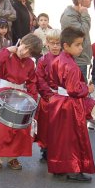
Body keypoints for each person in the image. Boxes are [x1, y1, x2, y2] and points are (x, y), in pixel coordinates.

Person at [0, 33, 42, 173]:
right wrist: (7, 51)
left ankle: (13, 156)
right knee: (0, 128)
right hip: (3, 92)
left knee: (17, 129)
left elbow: (31, 82)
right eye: (25, 47)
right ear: (21, 41)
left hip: (20, 95)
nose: (25, 52)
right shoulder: (8, 54)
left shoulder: (30, 63)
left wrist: (33, 100)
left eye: (30, 52)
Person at [46, 27, 95, 182]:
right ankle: (74, 170)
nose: (81, 48)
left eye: (81, 44)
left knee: (60, 137)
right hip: (70, 105)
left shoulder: (57, 60)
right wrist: (86, 88)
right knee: (74, 137)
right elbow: (74, 90)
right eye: (78, 45)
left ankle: (58, 167)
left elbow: (52, 81)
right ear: (66, 46)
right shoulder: (72, 66)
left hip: (57, 102)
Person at [35, 30, 61, 163]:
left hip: (62, 99)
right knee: (46, 126)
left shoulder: (66, 59)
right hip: (47, 99)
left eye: (58, 43)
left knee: (60, 127)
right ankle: (45, 149)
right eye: (52, 43)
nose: (55, 46)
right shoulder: (42, 60)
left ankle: (59, 149)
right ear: (47, 44)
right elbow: (39, 79)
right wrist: (49, 95)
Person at [60, 0, 93, 82]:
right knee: (79, 91)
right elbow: (83, 32)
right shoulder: (69, 16)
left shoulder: (79, 13)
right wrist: (85, 14)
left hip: (83, 59)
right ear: (79, 0)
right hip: (77, 61)